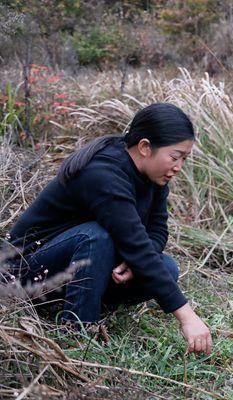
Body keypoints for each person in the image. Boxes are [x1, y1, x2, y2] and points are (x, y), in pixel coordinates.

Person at [5, 103, 212, 354]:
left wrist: (132, 261)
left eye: (184, 159)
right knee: (95, 236)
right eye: (175, 156)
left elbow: (157, 230)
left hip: (71, 265)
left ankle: (86, 302)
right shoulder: (104, 173)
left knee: (167, 267)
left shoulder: (153, 177)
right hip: (23, 271)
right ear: (145, 147)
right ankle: (78, 330)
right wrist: (187, 316)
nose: (179, 166)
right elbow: (135, 243)